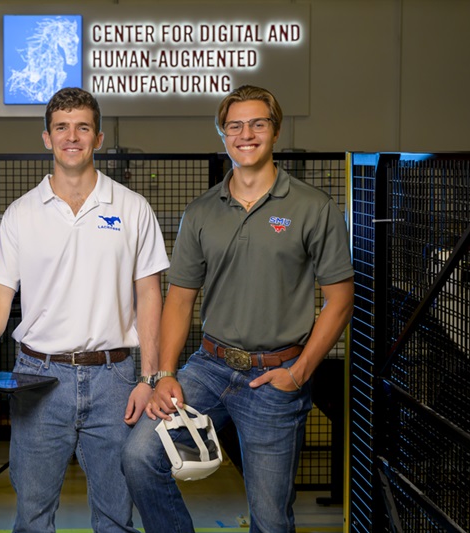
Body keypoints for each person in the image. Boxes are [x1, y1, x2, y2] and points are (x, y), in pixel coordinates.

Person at [122, 85, 354, 533]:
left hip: (274, 376)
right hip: (209, 368)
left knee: (269, 518)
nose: (246, 134)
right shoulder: (201, 211)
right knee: (138, 457)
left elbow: (340, 300)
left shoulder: (313, 207)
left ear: (275, 130)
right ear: (222, 135)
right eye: (235, 126)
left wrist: (300, 372)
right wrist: (165, 373)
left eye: (257, 123)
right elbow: (180, 299)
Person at [0, 87, 170, 533]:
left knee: (116, 517)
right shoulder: (20, 214)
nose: (72, 136)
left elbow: (150, 296)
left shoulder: (132, 208)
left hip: (115, 379)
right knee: (32, 517)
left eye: (82, 127)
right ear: (47, 138)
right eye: (62, 128)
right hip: (39, 378)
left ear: (99, 137)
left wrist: (151, 378)